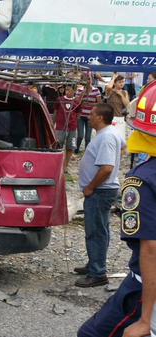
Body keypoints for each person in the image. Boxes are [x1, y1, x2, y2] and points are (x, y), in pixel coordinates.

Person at [77, 83, 156, 337]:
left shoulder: (142, 180)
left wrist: (145, 319)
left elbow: (151, 247)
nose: (89, 117)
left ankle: (97, 270)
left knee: (91, 334)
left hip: (144, 288)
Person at [74, 103, 125, 288]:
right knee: (98, 229)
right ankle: (94, 263)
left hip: (100, 190)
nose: (89, 116)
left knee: (96, 231)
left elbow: (107, 168)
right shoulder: (109, 134)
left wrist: (90, 187)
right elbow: (123, 146)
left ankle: (98, 272)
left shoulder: (107, 137)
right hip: (101, 189)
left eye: (93, 114)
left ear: (101, 118)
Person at [54, 85, 83, 171]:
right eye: (66, 90)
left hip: (72, 128)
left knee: (70, 147)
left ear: (74, 91)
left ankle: (65, 166)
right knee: (58, 146)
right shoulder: (60, 100)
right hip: (60, 127)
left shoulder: (77, 102)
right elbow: (55, 112)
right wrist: (53, 123)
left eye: (69, 90)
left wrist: (74, 122)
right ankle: (57, 165)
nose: (67, 91)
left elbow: (78, 114)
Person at [76, 81, 103, 153]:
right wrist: (82, 93)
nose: (87, 81)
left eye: (89, 79)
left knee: (88, 137)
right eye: (85, 79)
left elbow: (100, 103)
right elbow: (76, 102)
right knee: (80, 135)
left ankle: (86, 151)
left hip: (91, 116)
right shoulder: (79, 90)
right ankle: (77, 148)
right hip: (80, 115)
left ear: (91, 80)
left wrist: (90, 104)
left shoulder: (96, 90)